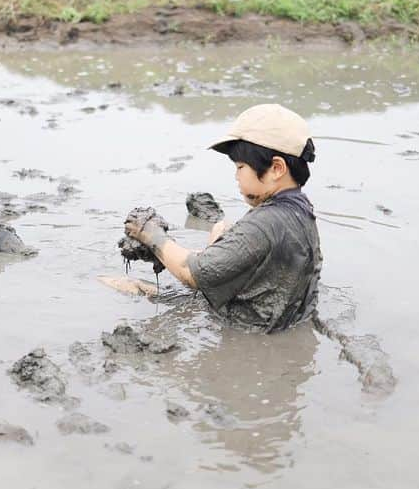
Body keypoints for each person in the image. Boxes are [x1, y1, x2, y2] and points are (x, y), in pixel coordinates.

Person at [124, 103, 322, 333]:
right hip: (286, 321)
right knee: (219, 230)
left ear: (277, 168)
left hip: (247, 330)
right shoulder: (300, 209)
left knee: (125, 285)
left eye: (240, 167)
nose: (236, 176)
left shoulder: (264, 224)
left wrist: (149, 233)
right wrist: (217, 245)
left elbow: (191, 274)